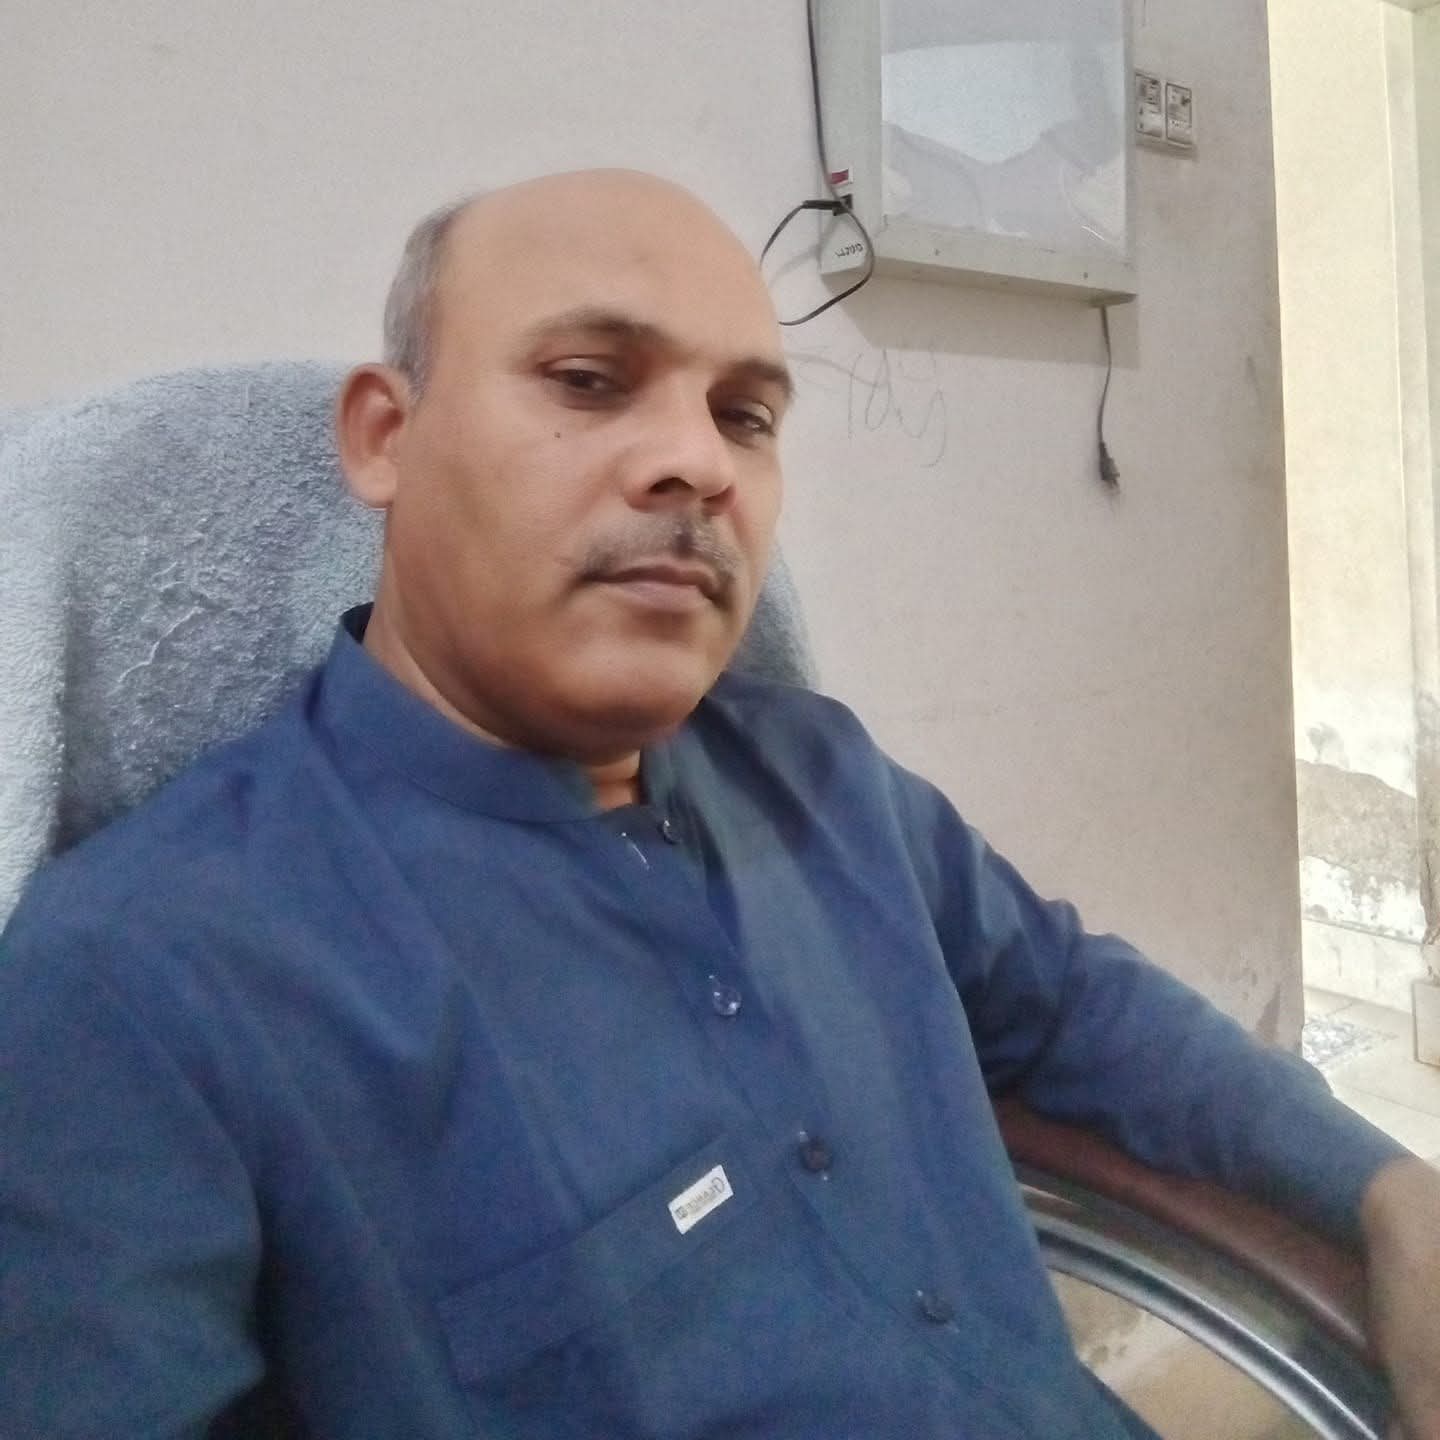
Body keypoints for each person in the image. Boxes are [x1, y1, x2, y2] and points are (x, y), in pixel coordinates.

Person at [2, 169, 1437, 1440]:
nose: (697, 462)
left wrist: (1383, 1188)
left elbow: (1072, 1004)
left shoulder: (824, 777)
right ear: (386, 437)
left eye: (744, 415)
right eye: (588, 380)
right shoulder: (143, 977)